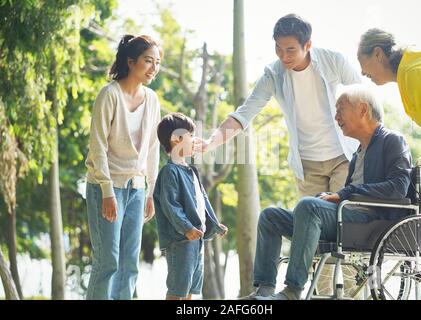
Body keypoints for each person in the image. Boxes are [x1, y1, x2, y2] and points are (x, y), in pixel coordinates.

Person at [200, 13, 361, 296]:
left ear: (307, 45)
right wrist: (211, 142)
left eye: (290, 49)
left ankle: (345, 293)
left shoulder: (332, 60)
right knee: (312, 237)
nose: (283, 56)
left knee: (340, 231)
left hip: (342, 158)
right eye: (278, 48)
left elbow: (362, 91)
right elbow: (244, 113)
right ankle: (311, 293)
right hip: (307, 164)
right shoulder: (274, 74)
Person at [244, 85, 412, 300]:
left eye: (341, 109)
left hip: (372, 222)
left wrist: (345, 193)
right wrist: (333, 198)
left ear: (362, 110)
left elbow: (398, 188)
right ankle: (264, 289)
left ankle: (292, 291)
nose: (336, 116)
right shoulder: (359, 152)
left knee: (308, 206)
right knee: (270, 216)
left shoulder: (393, 140)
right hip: (347, 217)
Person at [357, 28, 421, 300]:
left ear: (377, 53)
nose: (363, 73)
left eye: (362, 62)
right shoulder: (415, 66)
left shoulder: (413, 73)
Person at [85, 34, 162, 300]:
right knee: (108, 262)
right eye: (148, 61)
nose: (153, 68)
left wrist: (150, 191)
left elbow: (153, 148)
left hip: (137, 189)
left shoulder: (152, 100)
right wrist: (107, 191)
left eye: (157, 62)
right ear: (131, 62)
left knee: (129, 264)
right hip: (106, 188)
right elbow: (98, 147)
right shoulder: (109, 95)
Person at [153, 113, 228, 300]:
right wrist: (186, 228)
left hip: (196, 240)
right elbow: (171, 205)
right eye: (191, 136)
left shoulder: (191, 171)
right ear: (176, 139)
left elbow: (202, 203)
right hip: (181, 241)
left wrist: (215, 225)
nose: (195, 140)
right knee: (177, 290)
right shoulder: (170, 172)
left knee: (190, 291)